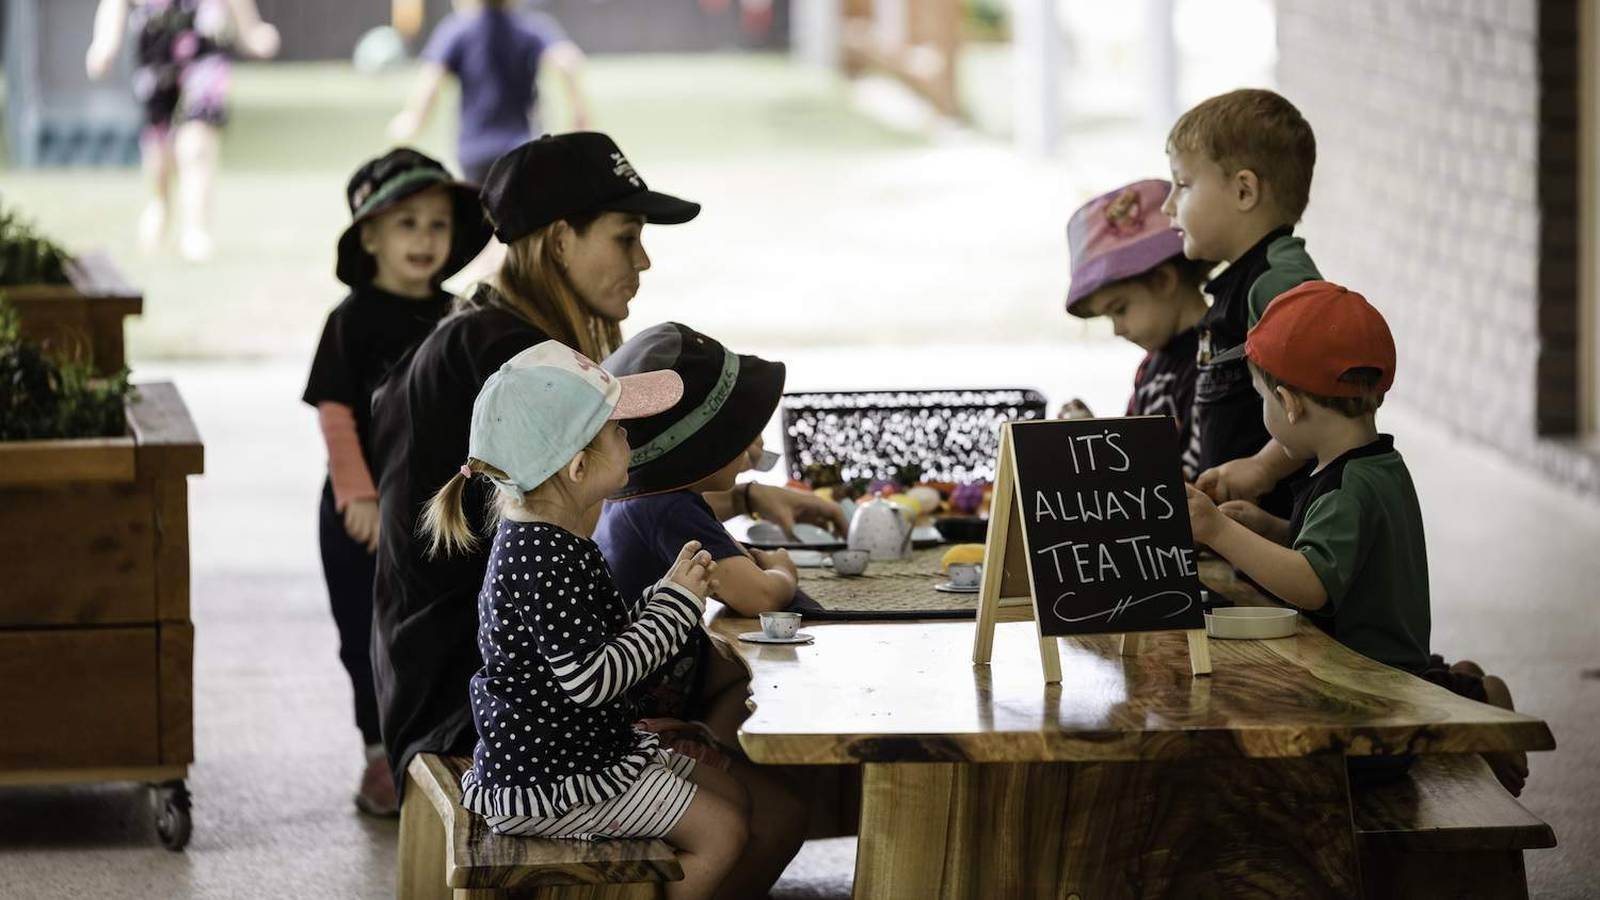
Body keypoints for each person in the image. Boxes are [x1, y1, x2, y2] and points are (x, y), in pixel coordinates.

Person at [367, 132, 846, 805]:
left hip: (467, 684)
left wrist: (742, 498)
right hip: (483, 715)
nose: (644, 260)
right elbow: (600, 519)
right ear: (561, 240)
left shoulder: (489, 332)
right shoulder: (518, 363)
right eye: (626, 237)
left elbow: (611, 504)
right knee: (742, 719)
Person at [418, 341, 754, 900]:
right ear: (577, 467)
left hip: (578, 753)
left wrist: (662, 596)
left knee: (732, 794)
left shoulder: (550, 539)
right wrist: (673, 608)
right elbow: (592, 680)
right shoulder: (546, 555)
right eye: (618, 429)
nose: (630, 437)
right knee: (724, 830)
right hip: (555, 781)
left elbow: (592, 641)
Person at [1185, 281, 1527, 794]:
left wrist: (1218, 530)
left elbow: (1312, 584)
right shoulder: (1373, 466)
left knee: (1274, 760)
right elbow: (1345, 557)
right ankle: (1459, 686)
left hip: (1369, 703)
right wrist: (1269, 529)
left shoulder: (1346, 488)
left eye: (1262, 399)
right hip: (1381, 669)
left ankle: (1464, 699)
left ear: (1288, 404)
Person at [301, 148, 492, 816]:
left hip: (438, 515)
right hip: (364, 515)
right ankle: (380, 753)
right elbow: (335, 413)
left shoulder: (458, 316)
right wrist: (357, 493)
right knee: (368, 638)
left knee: (442, 634)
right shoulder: (349, 322)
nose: (424, 239)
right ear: (371, 237)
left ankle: (441, 745)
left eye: (438, 225)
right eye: (406, 223)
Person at [595, 324, 811, 897]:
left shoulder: (638, 494)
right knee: (784, 816)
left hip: (628, 708)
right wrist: (784, 567)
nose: (751, 453)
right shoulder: (671, 508)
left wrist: (744, 499)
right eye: (740, 437)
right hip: (636, 729)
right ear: (696, 449)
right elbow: (760, 596)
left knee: (736, 683)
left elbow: (711, 501)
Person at [1160, 88, 1322, 515]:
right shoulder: (1238, 282)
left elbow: (1323, 404)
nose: (1167, 205)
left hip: (1276, 519)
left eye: (1182, 185)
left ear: (1244, 191)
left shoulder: (1277, 282)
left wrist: (1264, 468)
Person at [86, 0, 281, 261]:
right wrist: (104, 41)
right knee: (159, 151)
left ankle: (196, 228)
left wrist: (250, 30)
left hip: (204, 44)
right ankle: (161, 204)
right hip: (155, 49)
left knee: (197, 144)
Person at [1060, 178, 1213, 480]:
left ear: (1163, 281)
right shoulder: (1150, 367)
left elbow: (1196, 479)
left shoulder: (1212, 362)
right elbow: (1131, 452)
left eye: (1120, 309)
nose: (1117, 329)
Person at [388, 0, 591, 184]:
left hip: (475, 149)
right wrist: (579, 116)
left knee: (480, 211)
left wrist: (413, 118)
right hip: (519, 147)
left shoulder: (457, 30)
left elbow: (431, 79)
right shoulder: (530, 27)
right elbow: (568, 61)